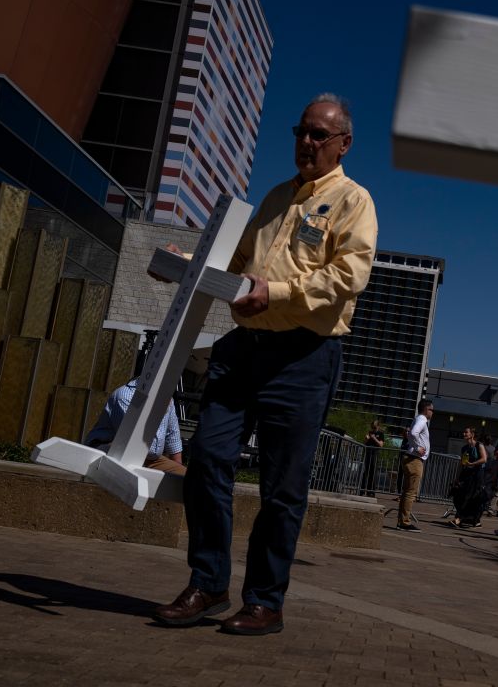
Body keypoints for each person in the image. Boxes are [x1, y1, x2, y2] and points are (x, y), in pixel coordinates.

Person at [152, 95, 377, 636]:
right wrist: (187, 265)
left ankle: (264, 602)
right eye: (301, 131)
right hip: (244, 349)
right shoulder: (276, 197)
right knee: (206, 457)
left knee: (282, 487)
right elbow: (236, 263)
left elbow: (349, 277)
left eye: (320, 135)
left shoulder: (353, 201)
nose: (307, 142)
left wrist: (272, 291)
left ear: (343, 143)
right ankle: (208, 582)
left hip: (303, 358)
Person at [85, 378, 186, 475]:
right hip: (112, 449)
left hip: (147, 456)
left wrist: (176, 474)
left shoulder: (167, 398)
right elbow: (139, 443)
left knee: (185, 478)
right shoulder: (126, 396)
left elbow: (173, 438)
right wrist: (160, 411)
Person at [397, 400, 433, 531]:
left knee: (407, 492)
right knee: (410, 493)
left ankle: (402, 521)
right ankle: (404, 522)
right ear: (426, 409)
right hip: (414, 460)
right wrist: (418, 447)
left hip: (411, 458)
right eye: (431, 410)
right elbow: (412, 433)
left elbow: (410, 433)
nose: (432, 413)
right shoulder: (422, 420)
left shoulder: (418, 418)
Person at [450, 426, 488, 527]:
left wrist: (473, 464)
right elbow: (461, 464)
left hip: (476, 475)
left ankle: (459, 519)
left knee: (471, 498)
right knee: (459, 496)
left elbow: (484, 459)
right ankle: (474, 520)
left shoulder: (479, 445)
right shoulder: (464, 448)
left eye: (466, 432)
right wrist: (457, 477)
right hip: (466, 475)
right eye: (464, 432)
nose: (464, 434)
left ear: (472, 434)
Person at [361, 419, 385, 496]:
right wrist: (366, 439)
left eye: (374, 427)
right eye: (372, 427)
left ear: (378, 426)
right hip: (368, 453)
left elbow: (381, 445)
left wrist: (374, 438)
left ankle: (371, 492)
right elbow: (364, 443)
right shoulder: (370, 432)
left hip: (375, 454)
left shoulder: (381, 434)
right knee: (366, 472)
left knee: (373, 473)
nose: (373, 429)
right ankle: (362, 490)